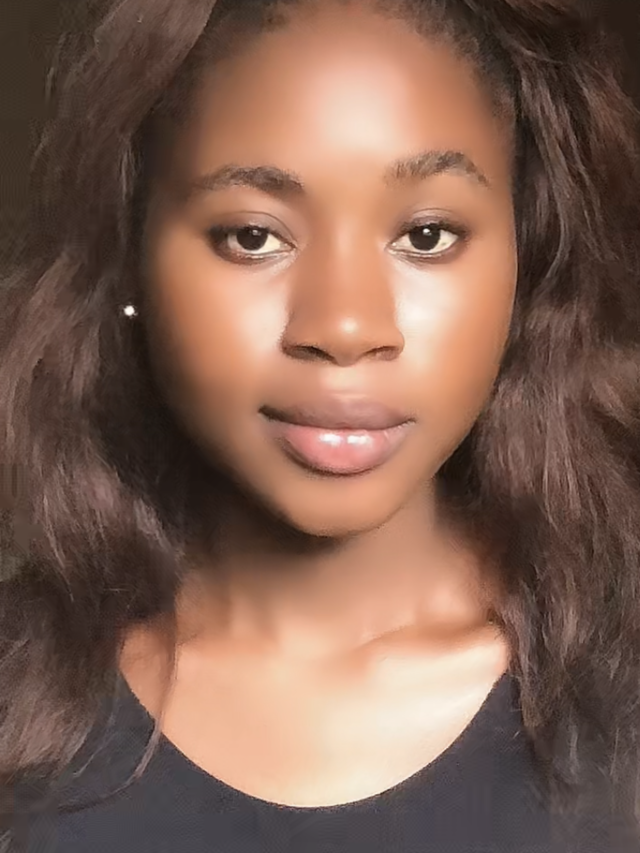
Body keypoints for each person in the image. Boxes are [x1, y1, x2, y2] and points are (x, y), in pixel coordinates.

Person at [1, 0, 640, 849]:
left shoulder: (621, 688)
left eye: (427, 235)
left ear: (526, 260)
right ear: (130, 259)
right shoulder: (18, 694)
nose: (344, 326)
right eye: (253, 237)